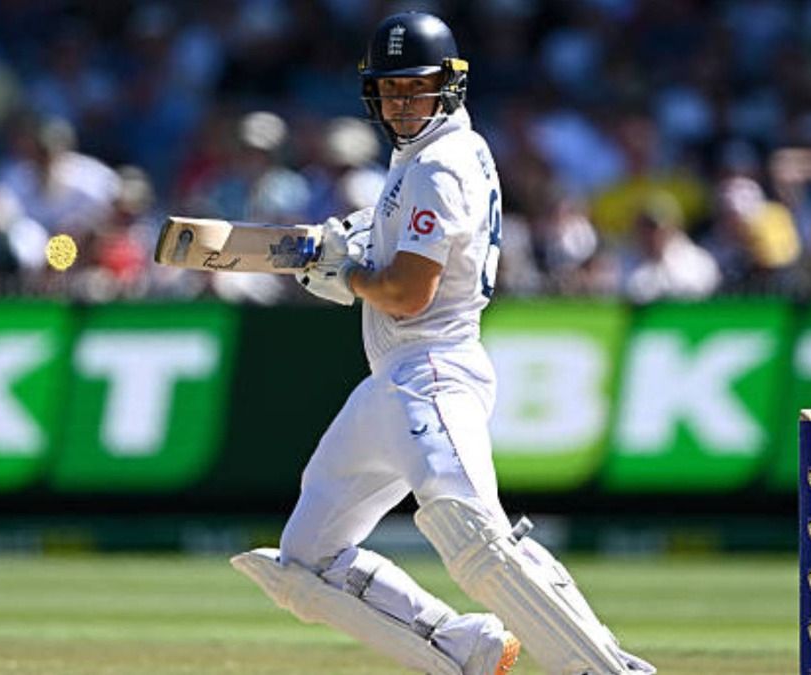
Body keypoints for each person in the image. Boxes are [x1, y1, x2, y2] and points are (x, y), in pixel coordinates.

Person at [230, 12, 656, 675]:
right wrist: (342, 248)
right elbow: (389, 258)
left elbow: (406, 291)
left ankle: (611, 671)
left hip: (432, 369)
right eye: (391, 90)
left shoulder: (438, 166)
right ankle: (464, 645)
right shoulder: (429, 159)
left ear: (449, 86)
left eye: (416, 88)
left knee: (472, 532)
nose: (403, 103)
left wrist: (348, 270)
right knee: (307, 559)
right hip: (392, 381)